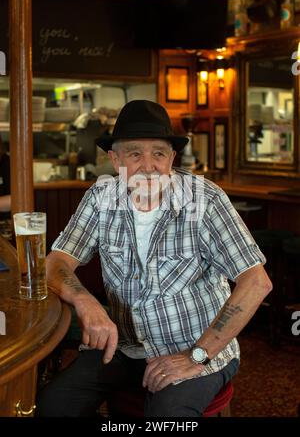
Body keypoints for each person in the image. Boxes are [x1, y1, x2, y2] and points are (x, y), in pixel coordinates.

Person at [36, 100, 272, 417]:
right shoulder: (101, 197)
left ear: (172, 158)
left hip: (194, 345)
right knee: (54, 405)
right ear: (114, 159)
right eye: (134, 153)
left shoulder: (205, 198)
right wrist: (86, 302)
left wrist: (197, 355)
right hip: (123, 346)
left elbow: (256, 282)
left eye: (158, 153)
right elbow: (55, 262)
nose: (148, 165)